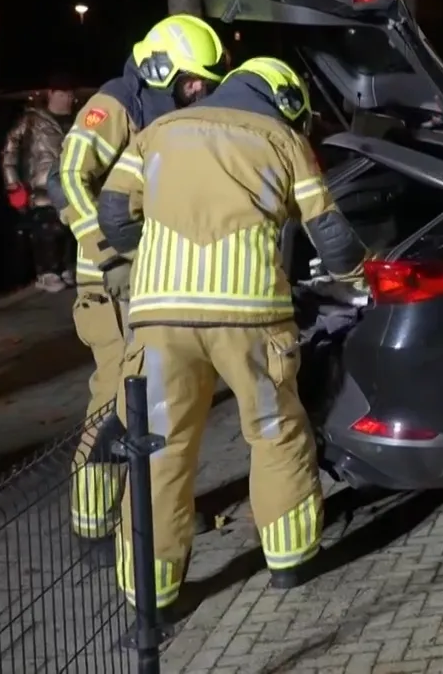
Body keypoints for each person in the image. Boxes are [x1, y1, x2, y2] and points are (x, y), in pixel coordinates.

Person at [96, 57, 368, 607]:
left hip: (160, 322)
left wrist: (159, 258)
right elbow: (332, 238)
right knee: (273, 433)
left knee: (160, 446)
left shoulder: (155, 134)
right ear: (288, 101)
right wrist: (364, 277)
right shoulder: (285, 142)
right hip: (251, 318)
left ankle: (153, 594)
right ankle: (291, 560)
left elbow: (115, 219)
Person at [52, 14, 229, 543]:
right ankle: (94, 525)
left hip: (151, 283)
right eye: (191, 81)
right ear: (159, 69)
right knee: (115, 401)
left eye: (205, 83)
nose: (198, 92)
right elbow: (68, 178)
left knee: (156, 400)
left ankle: (152, 512)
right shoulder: (115, 107)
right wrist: (110, 254)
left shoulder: (169, 112)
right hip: (110, 289)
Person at [2, 85, 75, 292]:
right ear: (51, 94)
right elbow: (10, 149)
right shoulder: (32, 120)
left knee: (68, 229)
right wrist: (12, 182)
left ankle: (65, 267)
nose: (67, 99)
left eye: (70, 94)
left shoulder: (76, 121)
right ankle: (47, 272)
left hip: (68, 188)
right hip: (40, 188)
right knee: (46, 229)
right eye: (63, 93)